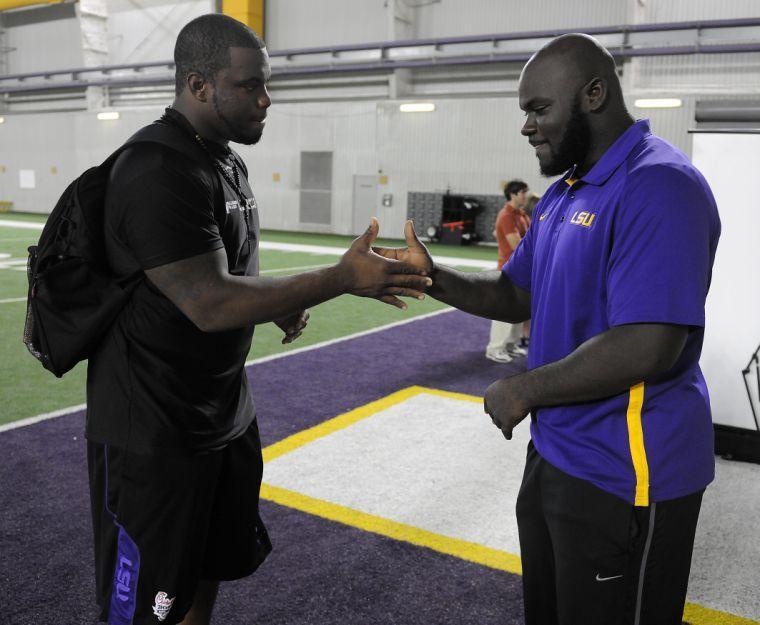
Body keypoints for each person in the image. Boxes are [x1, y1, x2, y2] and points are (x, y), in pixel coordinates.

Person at [85, 14, 430, 625]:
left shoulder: (224, 160)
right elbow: (210, 302)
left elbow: (230, 273)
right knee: (146, 608)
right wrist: (339, 280)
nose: (266, 99)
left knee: (208, 570)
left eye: (266, 84)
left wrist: (284, 298)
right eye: (250, 86)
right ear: (198, 85)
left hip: (222, 414)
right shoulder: (155, 168)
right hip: (154, 433)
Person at [375, 33, 720, 625]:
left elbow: (649, 344)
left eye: (538, 109)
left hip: (628, 471)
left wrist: (525, 388)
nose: (527, 126)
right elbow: (513, 294)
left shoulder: (660, 186)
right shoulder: (564, 193)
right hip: (556, 453)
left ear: (593, 94)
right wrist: (432, 276)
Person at [485, 179, 530, 363]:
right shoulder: (506, 215)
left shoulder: (521, 214)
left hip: (520, 269)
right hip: (507, 270)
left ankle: (510, 344)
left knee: (517, 309)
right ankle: (495, 348)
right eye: (523, 192)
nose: (526, 196)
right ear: (513, 194)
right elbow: (516, 244)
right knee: (503, 311)